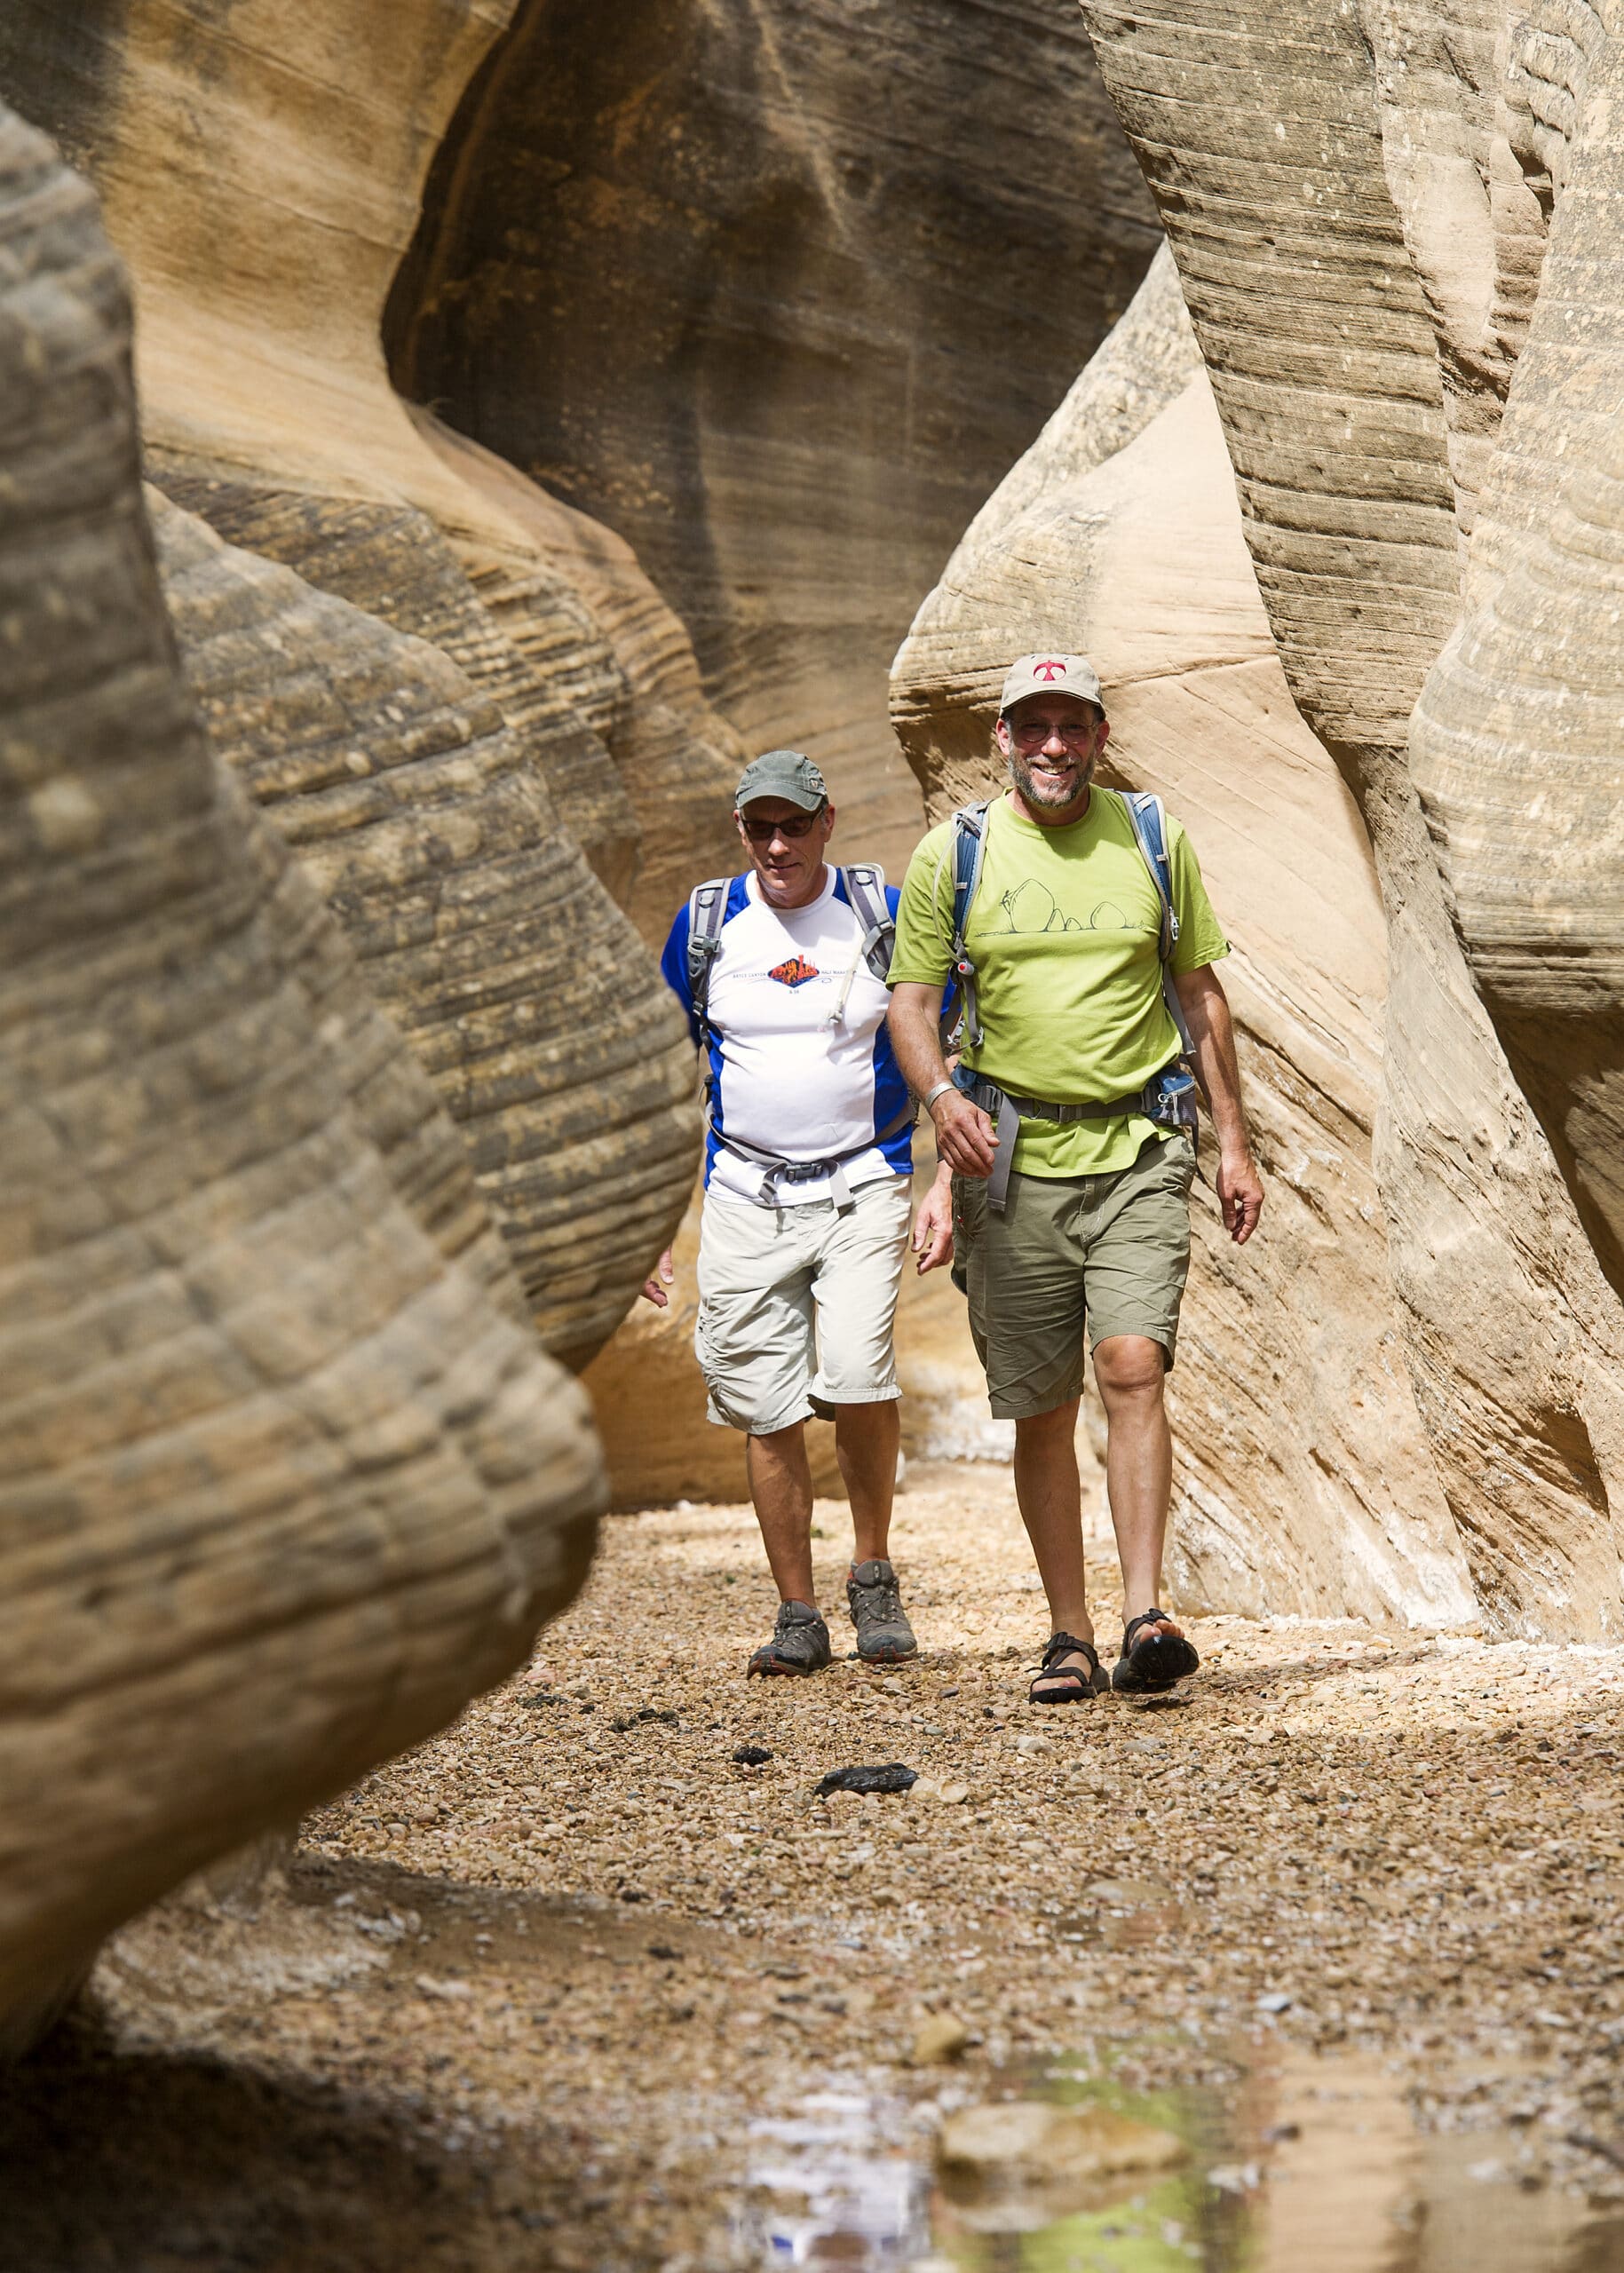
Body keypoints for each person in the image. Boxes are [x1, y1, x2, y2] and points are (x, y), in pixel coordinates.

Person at [891, 654, 1264, 1704]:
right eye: (1032, 725)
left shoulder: (1152, 838)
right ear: (1002, 737)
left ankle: (1147, 1613)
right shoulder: (951, 855)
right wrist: (939, 1103)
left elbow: (1199, 997)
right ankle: (1069, 1632)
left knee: (1133, 1362)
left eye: (1073, 725)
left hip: (1141, 1146)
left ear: (1099, 735)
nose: (1053, 744)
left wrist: (1232, 1142)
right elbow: (912, 1007)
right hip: (1008, 1163)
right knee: (1041, 1405)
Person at [646, 750, 943, 1676]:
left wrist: (945, 1181)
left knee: (857, 1376)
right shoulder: (703, 927)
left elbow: (947, 1032)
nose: (777, 844)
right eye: (759, 827)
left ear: (827, 822)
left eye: (793, 824)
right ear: (741, 831)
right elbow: (660, 1078)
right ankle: (797, 1613)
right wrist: (648, 1221)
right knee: (761, 1405)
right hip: (742, 1192)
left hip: (862, 1179)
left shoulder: (877, 914)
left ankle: (871, 1573)